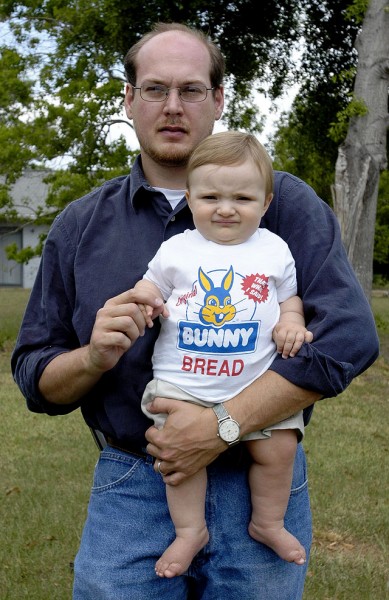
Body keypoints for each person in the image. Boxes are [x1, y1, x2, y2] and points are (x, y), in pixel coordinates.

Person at [11, 21, 379, 600]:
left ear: (218, 99)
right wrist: (93, 356)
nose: (173, 106)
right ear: (129, 100)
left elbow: (349, 340)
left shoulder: (284, 206)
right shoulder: (81, 226)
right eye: (155, 89)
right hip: (138, 481)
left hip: (262, 481)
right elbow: (35, 376)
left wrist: (220, 426)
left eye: (191, 89)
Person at [133, 130, 313, 578]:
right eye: (211, 195)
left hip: (256, 387)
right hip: (184, 384)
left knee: (281, 447)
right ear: (190, 198)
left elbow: (290, 299)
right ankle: (190, 530)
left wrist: (292, 322)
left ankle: (267, 520)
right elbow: (150, 286)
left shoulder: (274, 249)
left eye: (243, 198)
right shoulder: (178, 249)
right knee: (179, 458)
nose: (226, 208)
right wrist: (144, 300)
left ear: (266, 202)